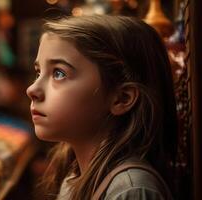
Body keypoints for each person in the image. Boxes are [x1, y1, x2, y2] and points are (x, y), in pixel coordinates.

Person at [26, 15, 177, 200]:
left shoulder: (131, 191)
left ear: (121, 98)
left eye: (59, 73)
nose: (32, 89)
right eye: (38, 72)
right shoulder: (74, 177)